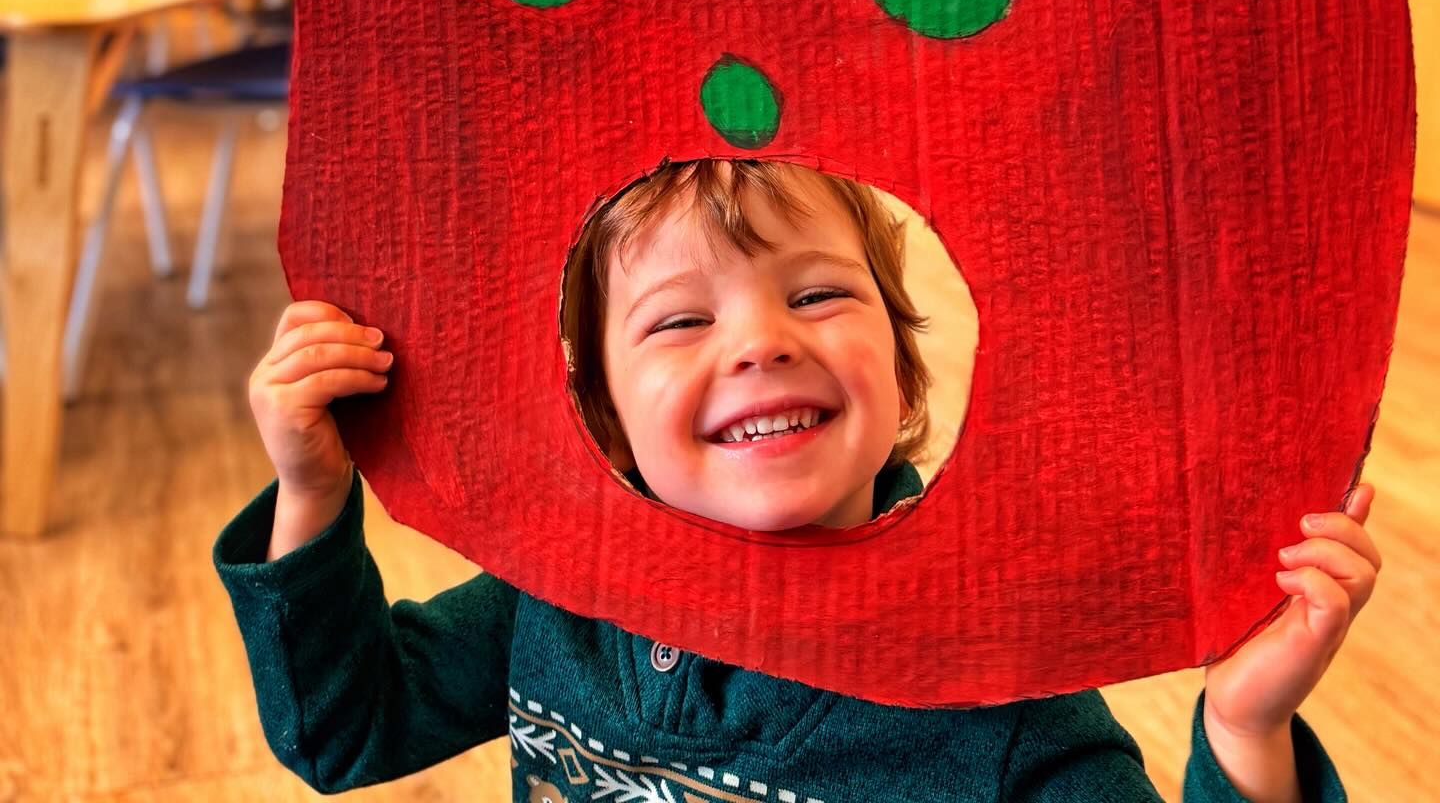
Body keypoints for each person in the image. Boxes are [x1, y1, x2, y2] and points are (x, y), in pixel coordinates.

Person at [216, 159, 1377, 801]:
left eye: (818, 294)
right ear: (602, 421)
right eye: (677, 320)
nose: (762, 341)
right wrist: (313, 496)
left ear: (904, 365)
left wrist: (1244, 731)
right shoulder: (560, 595)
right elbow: (342, 734)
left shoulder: (996, 687)